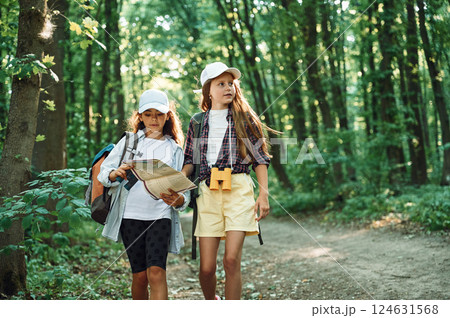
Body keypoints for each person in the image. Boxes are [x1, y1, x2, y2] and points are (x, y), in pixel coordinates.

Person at [182, 62, 273, 300]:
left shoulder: (245, 119)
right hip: (207, 193)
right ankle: (212, 302)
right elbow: (189, 160)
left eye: (230, 83)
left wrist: (263, 195)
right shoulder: (197, 122)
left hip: (239, 189)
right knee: (206, 268)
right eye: (220, 84)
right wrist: (177, 184)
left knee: (231, 260)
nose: (227, 88)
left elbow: (260, 159)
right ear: (208, 91)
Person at [97, 89, 190, 300]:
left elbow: (183, 188)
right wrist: (114, 174)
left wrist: (180, 199)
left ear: (168, 116)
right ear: (140, 116)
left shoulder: (174, 149)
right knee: (139, 276)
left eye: (159, 114)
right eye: (148, 114)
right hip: (130, 216)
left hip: (160, 216)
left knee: (156, 273)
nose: (154, 119)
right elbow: (104, 172)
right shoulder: (129, 142)